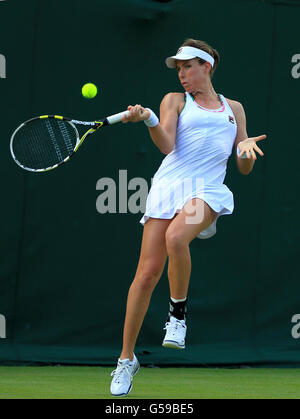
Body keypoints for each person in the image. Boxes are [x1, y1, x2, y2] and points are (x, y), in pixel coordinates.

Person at [110, 38, 266, 397]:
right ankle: (125, 360)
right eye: (178, 68)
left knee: (177, 238)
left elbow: (242, 165)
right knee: (146, 275)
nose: (181, 74)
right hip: (168, 187)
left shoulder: (234, 108)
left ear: (206, 66)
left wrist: (246, 151)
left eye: (187, 66)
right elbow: (166, 144)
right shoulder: (175, 101)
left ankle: (177, 316)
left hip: (208, 188)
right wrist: (149, 118)